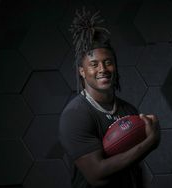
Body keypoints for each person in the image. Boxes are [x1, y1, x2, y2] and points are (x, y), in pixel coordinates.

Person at [59, 8, 160, 188]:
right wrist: (150, 142)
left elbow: (134, 167)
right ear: (82, 71)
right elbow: (97, 176)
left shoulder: (128, 110)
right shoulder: (75, 115)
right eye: (93, 64)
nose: (102, 69)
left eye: (108, 62)